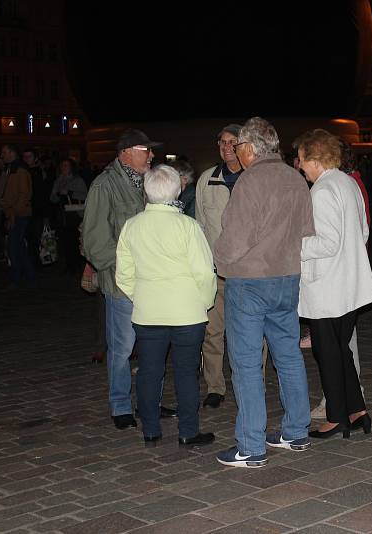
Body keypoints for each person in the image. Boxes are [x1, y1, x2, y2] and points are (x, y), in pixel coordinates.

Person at [214, 117, 315, 468]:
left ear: (251, 148)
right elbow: (306, 230)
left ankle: (251, 445)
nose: (237, 154)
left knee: (245, 364)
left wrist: (219, 262)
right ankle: (296, 430)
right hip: (286, 278)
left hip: (251, 282)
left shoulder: (250, 181)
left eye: (238, 147)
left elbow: (235, 238)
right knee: (287, 355)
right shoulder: (295, 178)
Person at [116, 165, 217, 447]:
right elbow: (204, 272)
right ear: (178, 189)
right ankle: (188, 430)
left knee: (149, 371)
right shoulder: (188, 226)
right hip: (187, 312)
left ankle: (150, 429)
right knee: (186, 372)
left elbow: (123, 273)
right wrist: (204, 302)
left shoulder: (132, 226)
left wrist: (142, 295)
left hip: (148, 312)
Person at [82, 129, 177, 430]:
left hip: (154, 282)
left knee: (154, 347)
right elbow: (94, 244)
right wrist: (131, 262)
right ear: (124, 152)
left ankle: (150, 401)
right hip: (122, 284)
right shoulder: (104, 186)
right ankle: (120, 404)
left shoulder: (149, 184)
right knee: (122, 349)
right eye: (144, 149)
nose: (151, 155)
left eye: (151, 150)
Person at [296, 129, 372, 440]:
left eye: (303, 160)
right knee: (340, 349)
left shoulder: (322, 189)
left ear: (315, 160)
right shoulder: (348, 183)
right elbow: (363, 231)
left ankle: (336, 418)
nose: (300, 165)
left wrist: (295, 244)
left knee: (327, 352)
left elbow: (327, 243)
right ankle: (357, 411)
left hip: (327, 288)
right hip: (347, 284)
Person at [196, 124, 270, 409]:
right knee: (212, 332)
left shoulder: (256, 178)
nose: (227, 147)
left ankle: (255, 384)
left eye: (232, 142)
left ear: (244, 145)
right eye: (222, 142)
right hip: (217, 273)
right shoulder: (207, 179)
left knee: (253, 334)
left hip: (250, 273)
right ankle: (215, 386)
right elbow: (201, 226)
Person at [0, 144, 35, 289]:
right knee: (18, 247)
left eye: (4, 152)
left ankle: (16, 278)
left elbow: (24, 194)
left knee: (13, 247)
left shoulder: (20, 170)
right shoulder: (9, 169)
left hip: (19, 214)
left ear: (13, 153)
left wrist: (13, 212)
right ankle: (29, 276)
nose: (2, 155)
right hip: (12, 213)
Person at [50, 158, 88, 274]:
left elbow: (85, 195)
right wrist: (57, 194)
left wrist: (70, 193)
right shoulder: (58, 180)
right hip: (62, 214)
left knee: (73, 240)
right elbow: (52, 198)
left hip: (74, 214)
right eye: (63, 165)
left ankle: (75, 264)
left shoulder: (78, 180)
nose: (64, 168)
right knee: (64, 240)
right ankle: (68, 264)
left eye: (66, 165)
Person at [23, 148, 53, 268]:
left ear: (35, 159)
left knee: (35, 239)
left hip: (37, 211)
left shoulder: (38, 172)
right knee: (30, 238)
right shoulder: (25, 171)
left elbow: (43, 194)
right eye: (25, 157)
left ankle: (35, 264)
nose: (26, 159)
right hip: (29, 211)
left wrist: (46, 214)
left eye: (29, 156)